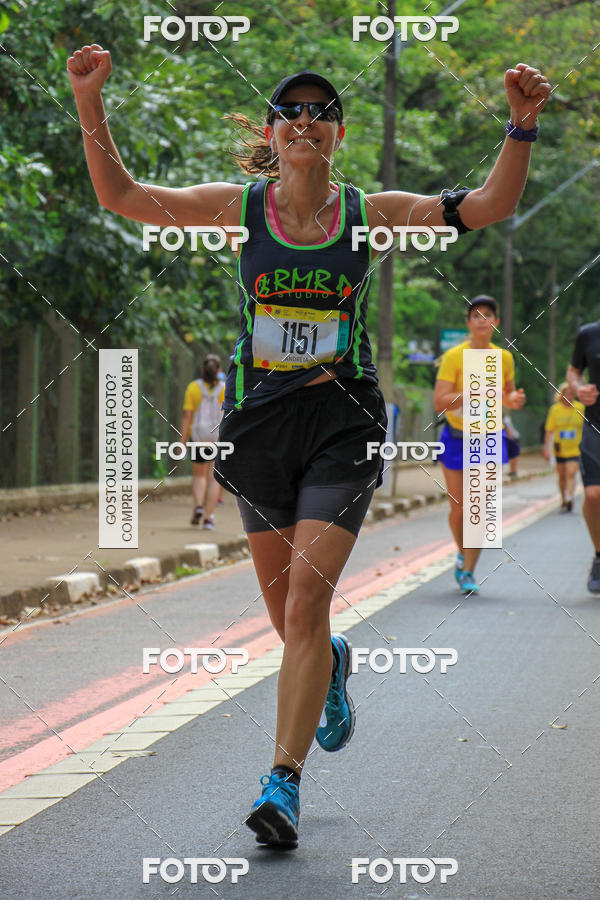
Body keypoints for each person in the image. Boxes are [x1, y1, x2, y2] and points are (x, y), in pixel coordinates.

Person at [67, 45, 550, 847]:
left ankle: (281, 783)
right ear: (272, 131)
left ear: (338, 135)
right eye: (290, 111)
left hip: (342, 422)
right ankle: (329, 662)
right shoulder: (240, 210)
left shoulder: (369, 213)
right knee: (288, 618)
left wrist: (521, 124)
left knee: (303, 603)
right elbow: (121, 196)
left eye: (321, 112)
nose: (304, 120)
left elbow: (490, 204)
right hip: (259, 426)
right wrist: (90, 99)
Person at [434, 296, 527, 595]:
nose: (482, 320)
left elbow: (507, 395)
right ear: (468, 323)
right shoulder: (454, 357)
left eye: (488, 315)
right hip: (456, 437)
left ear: (496, 322)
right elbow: (439, 402)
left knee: (478, 509)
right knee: (459, 511)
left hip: (488, 437)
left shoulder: (504, 358)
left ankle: (468, 571)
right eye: (476, 315)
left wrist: (513, 400)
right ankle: (463, 554)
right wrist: (471, 393)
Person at [567, 323, 600, 593]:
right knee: (593, 494)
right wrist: (578, 389)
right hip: (595, 425)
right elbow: (573, 372)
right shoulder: (588, 334)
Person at [181, 354, 225, 529]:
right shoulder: (224, 388)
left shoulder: (193, 387)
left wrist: (182, 441)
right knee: (213, 479)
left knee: (199, 476)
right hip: (216, 438)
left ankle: (199, 506)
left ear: (203, 369)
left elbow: (187, 416)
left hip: (198, 437)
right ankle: (208, 518)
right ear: (219, 370)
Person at [543, 382, 584, 513]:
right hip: (559, 448)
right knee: (562, 476)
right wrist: (546, 448)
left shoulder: (580, 408)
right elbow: (549, 430)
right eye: (566, 393)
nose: (569, 396)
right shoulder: (555, 409)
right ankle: (563, 499)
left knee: (571, 473)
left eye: (571, 393)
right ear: (561, 395)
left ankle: (569, 497)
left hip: (575, 449)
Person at [503, 413, 521, 478]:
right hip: (513, 438)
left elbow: (508, 430)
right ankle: (513, 471)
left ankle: (513, 471)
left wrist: (510, 440)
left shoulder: (504, 420)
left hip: (512, 438)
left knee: (512, 455)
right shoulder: (506, 419)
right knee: (512, 455)